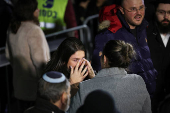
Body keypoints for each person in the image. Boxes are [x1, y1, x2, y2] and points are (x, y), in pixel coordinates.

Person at [91, 0, 157, 97]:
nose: (139, 13)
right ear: (122, 10)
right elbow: (98, 70)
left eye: (141, 8)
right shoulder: (108, 35)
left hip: (150, 96)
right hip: (128, 100)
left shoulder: (145, 27)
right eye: (133, 9)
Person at [68, 40, 152, 113]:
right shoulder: (138, 81)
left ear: (104, 59)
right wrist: (94, 79)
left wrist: (72, 86)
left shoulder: (83, 87)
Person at [5, 0, 50, 112]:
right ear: (32, 12)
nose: (38, 10)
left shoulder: (13, 28)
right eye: (36, 8)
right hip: (35, 89)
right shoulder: (34, 30)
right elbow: (41, 63)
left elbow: (8, 55)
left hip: (19, 86)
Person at [146, 0, 170, 112]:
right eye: (162, 12)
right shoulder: (145, 34)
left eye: (169, 13)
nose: (166, 17)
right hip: (151, 95)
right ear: (155, 12)